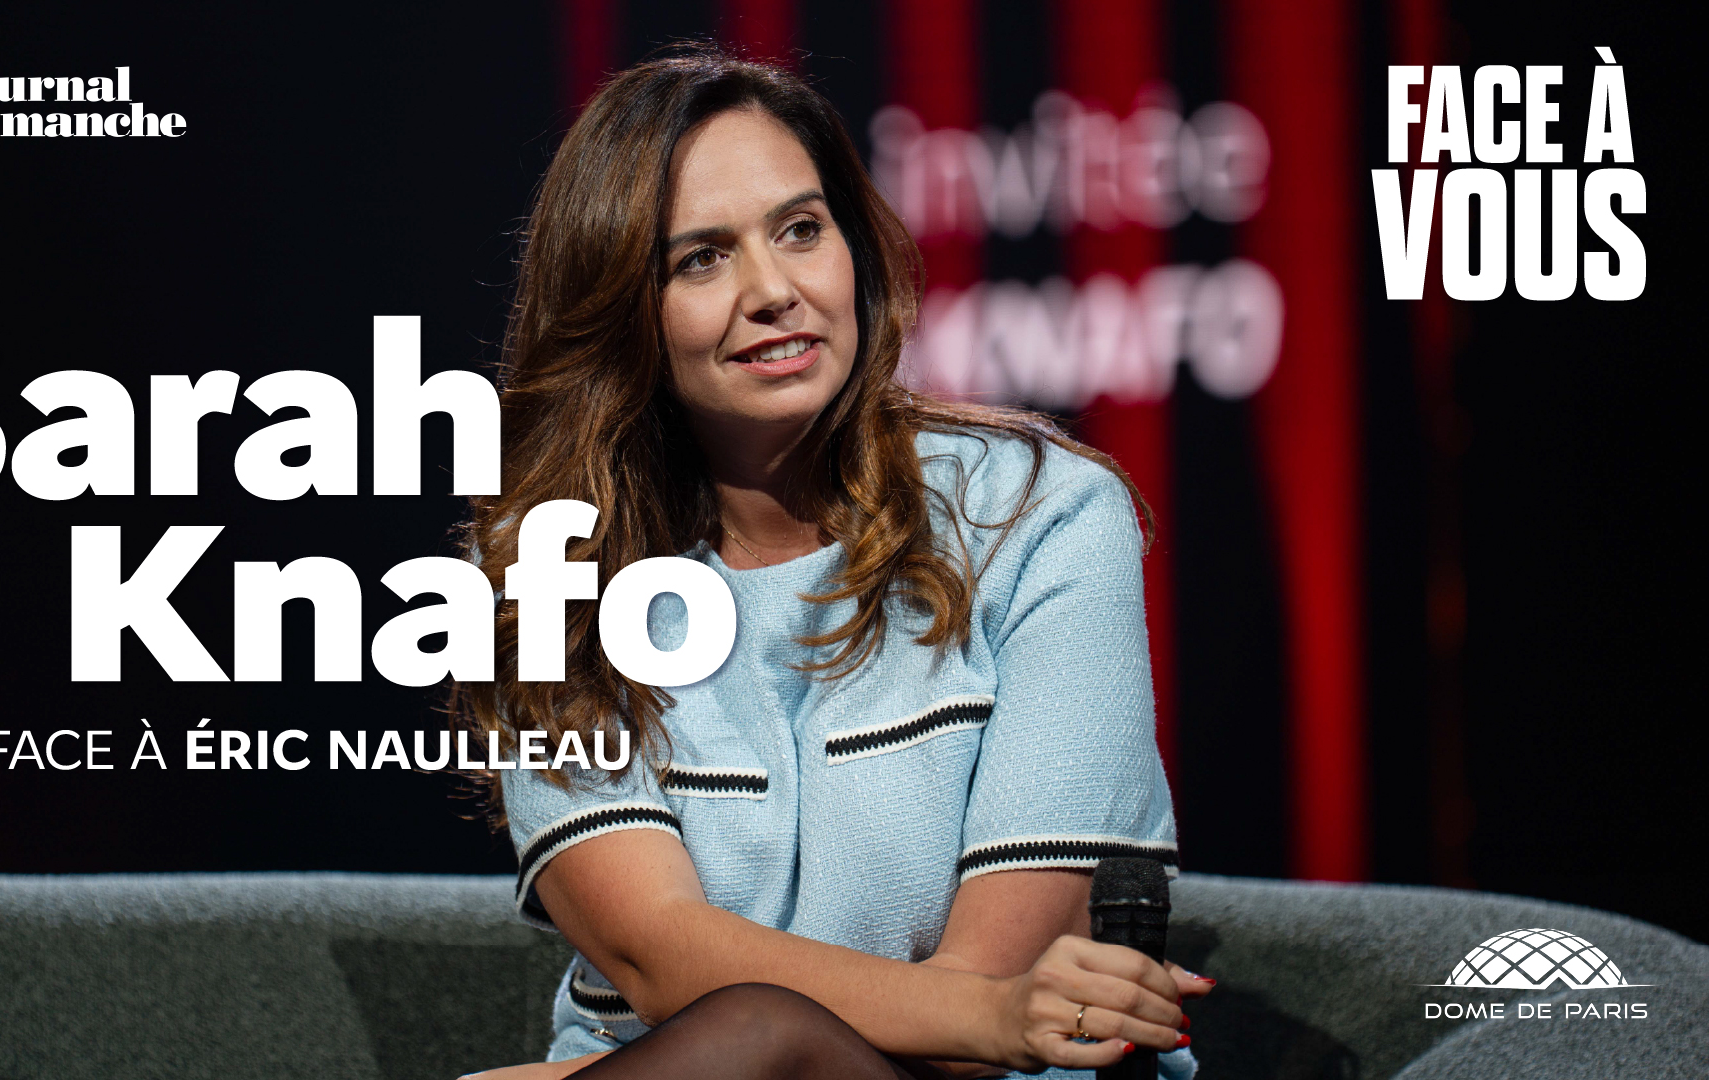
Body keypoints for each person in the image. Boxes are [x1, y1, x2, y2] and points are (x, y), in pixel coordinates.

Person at [457, 48, 1210, 1080]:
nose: (774, 290)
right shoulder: (552, 571)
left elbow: (991, 1010)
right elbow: (657, 957)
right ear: (620, 309)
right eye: (700, 260)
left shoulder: (1042, 517)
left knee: (762, 1032)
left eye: (801, 230)